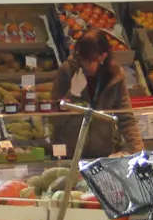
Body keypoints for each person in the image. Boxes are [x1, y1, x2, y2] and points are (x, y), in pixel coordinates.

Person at [49, 29, 144, 159]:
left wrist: (138, 150)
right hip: (70, 154)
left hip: (103, 154)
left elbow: (126, 117)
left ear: (102, 57)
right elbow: (54, 119)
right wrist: (72, 95)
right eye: (81, 60)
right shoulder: (67, 71)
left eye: (89, 61)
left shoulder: (115, 76)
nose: (84, 65)